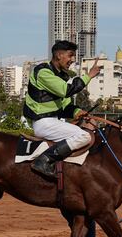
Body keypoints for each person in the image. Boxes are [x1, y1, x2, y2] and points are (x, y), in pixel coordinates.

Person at [22, 40, 101, 177]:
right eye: (70, 55)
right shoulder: (43, 71)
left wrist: (76, 111)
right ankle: (43, 161)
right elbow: (66, 90)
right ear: (59, 55)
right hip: (43, 123)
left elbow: (64, 105)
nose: (72, 60)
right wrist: (88, 76)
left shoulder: (61, 76)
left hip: (53, 122)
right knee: (84, 136)